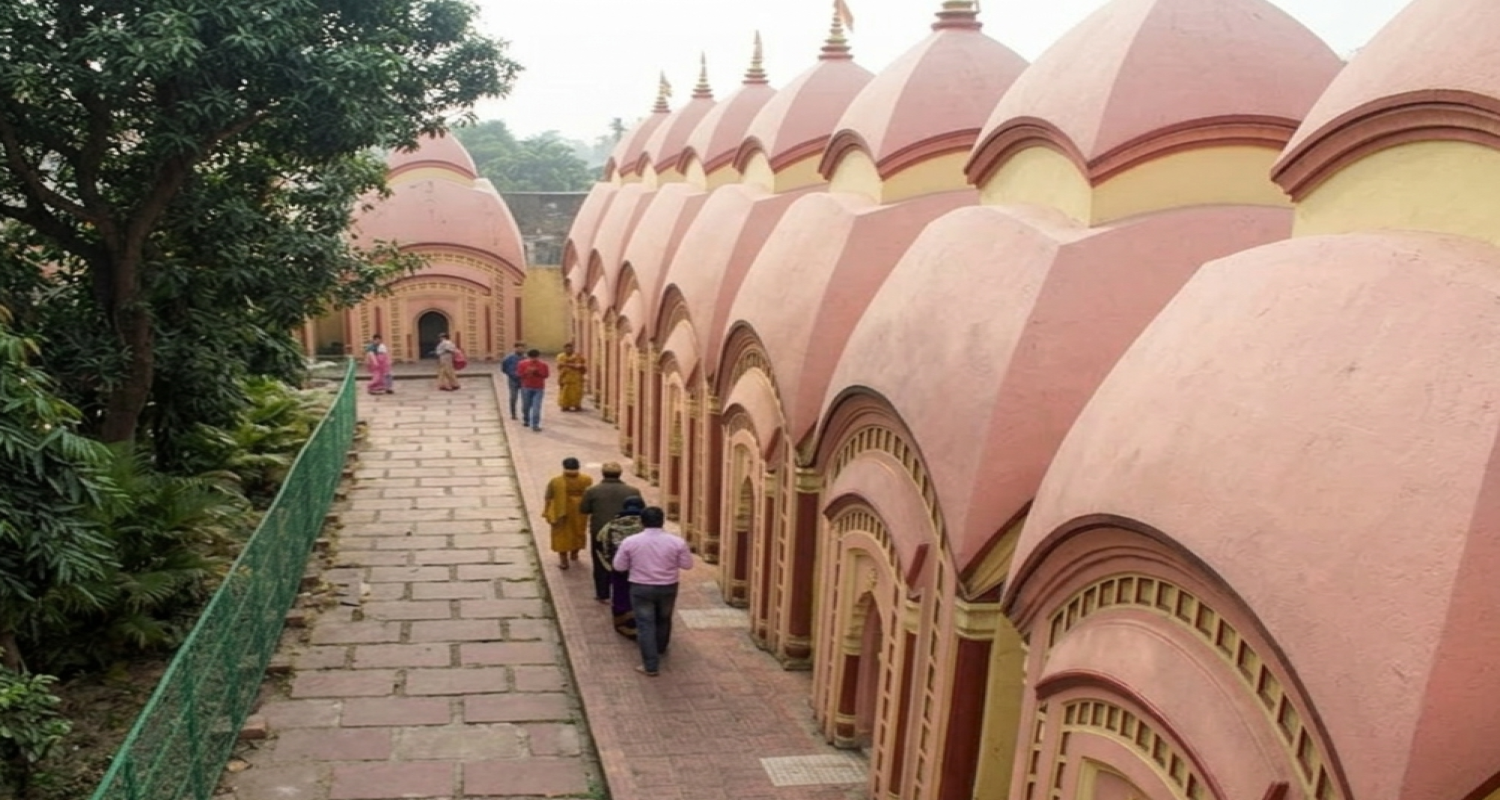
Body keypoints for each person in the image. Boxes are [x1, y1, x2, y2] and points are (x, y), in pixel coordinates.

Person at [612, 506, 692, 676]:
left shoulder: (631, 542)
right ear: (662, 521)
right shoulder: (677, 542)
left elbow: (619, 566)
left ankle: (650, 665)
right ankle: (660, 648)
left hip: (641, 587)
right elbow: (687, 565)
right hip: (668, 586)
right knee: (664, 618)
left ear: (642, 522)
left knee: (645, 624)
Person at [578, 462, 640, 604]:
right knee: (627, 560)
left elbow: (584, 509)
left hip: (600, 531)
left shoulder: (592, 491)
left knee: (600, 561)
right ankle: (624, 591)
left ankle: (602, 593)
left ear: (603, 473)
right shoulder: (632, 491)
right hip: (626, 531)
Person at [596, 496, 646, 639]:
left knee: (621, 596)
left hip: (619, 570)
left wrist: (609, 564)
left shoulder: (611, 525)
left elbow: (601, 543)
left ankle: (624, 625)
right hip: (642, 570)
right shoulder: (646, 525)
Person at [543, 457, 593, 570]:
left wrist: (546, 510)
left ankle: (563, 560)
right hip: (580, 511)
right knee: (578, 532)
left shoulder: (556, 481)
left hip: (561, 511)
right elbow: (589, 495)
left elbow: (548, 496)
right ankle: (574, 554)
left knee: (561, 535)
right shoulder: (587, 479)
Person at [517, 348, 549, 431]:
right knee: (526, 406)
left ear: (538, 357)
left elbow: (546, 375)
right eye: (532, 358)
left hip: (538, 388)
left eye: (535, 357)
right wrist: (527, 372)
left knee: (536, 407)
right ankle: (526, 419)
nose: (533, 359)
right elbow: (519, 375)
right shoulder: (522, 364)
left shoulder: (543, 365)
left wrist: (536, 372)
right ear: (528, 357)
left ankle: (535, 424)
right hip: (526, 387)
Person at [556, 342, 587, 412]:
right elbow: (560, 365)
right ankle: (565, 406)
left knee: (577, 392)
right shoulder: (561, 356)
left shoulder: (578, 356)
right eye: (567, 349)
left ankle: (577, 405)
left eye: (570, 348)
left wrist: (578, 366)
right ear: (564, 349)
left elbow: (581, 364)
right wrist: (573, 365)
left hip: (576, 377)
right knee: (564, 392)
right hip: (565, 377)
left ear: (573, 349)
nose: (569, 350)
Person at [499, 342, 526, 420]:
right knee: (513, 397)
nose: (520, 349)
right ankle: (513, 414)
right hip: (513, 380)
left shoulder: (526, 358)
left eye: (522, 348)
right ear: (515, 348)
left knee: (525, 398)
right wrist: (511, 374)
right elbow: (503, 368)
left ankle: (525, 414)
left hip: (523, 380)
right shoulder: (508, 358)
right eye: (519, 348)